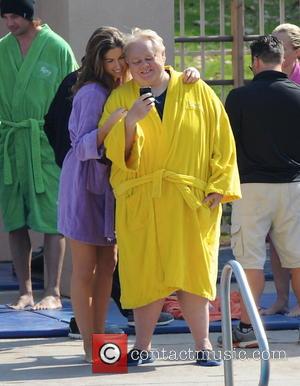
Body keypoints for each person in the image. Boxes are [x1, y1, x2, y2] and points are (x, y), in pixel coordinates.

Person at [100, 28, 241, 366]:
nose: (144, 65)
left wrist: (218, 184)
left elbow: (223, 140)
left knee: (193, 273)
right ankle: (143, 347)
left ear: (163, 56)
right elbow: (110, 149)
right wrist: (131, 122)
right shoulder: (121, 99)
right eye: (136, 61)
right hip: (142, 201)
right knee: (144, 275)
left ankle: (203, 345)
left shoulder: (197, 90)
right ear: (129, 66)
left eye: (149, 58)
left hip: (188, 200)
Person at [46, 57, 199, 338]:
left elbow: (162, 77)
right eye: (109, 60)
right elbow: (79, 146)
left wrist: (190, 72)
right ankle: (88, 338)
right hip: (85, 187)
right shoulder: (92, 91)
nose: (118, 66)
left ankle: (97, 333)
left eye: (121, 59)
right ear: (96, 59)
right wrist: (114, 123)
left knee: (108, 265)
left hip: (112, 187)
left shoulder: (125, 87)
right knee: (86, 268)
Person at [222, 35, 300, 348]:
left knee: (250, 261)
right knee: (297, 260)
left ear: (254, 62)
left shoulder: (239, 98)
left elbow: (227, 145)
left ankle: (247, 329)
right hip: (293, 186)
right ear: (282, 60)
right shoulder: (298, 94)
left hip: (251, 187)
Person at [0, 0, 77, 310]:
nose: (9, 23)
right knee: (15, 218)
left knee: (51, 219)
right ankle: (25, 291)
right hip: (11, 141)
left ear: (30, 16)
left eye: (15, 16)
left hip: (45, 142)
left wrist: (63, 142)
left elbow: (73, 93)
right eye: (5, 17)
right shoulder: (2, 49)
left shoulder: (57, 47)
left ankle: (53, 291)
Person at [260, 23, 300, 317]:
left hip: (295, 171)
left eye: (284, 46)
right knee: (275, 240)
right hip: (271, 170)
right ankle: (281, 298)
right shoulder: (265, 76)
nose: (278, 50)